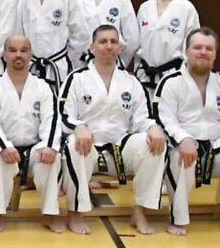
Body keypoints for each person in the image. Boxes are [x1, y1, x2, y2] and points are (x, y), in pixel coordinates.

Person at [58, 25, 167, 235]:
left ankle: (140, 211)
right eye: (103, 41)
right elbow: (63, 116)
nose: (109, 46)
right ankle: (75, 212)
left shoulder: (132, 82)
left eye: (113, 42)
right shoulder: (76, 79)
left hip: (119, 149)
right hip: (87, 148)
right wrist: (78, 127)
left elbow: (143, 118)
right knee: (73, 143)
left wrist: (153, 128)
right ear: (91, 47)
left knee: (154, 143)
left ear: (119, 48)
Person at [155, 27, 220, 236]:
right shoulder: (171, 82)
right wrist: (183, 139)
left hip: (216, 149)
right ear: (186, 51)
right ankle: (178, 219)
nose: (203, 52)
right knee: (179, 156)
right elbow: (163, 118)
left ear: (215, 54)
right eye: (198, 47)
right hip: (183, 147)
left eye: (208, 48)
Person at [0, 35, 62, 233]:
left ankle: (49, 213)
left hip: (34, 147)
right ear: (4, 55)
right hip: (5, 145)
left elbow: (52, 120)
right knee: (1, 159)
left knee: (52, 157)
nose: (18, 55)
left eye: (24, 50)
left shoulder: (43, 87)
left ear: (31, 55)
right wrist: (4, 146)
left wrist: (49, 146)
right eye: (13, 50)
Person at [17, 0, 84, 87]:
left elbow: (80, 35)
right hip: (32, 66)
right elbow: (19, 33)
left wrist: (68, 59)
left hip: (58, 66)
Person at [135, 0, 201, 93]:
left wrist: (185, 74)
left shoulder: (186, 8)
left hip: (174, 74)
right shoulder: (145, 8)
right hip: (145, 75)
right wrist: (137, 69)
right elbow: (137, 42)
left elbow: (192, 44)